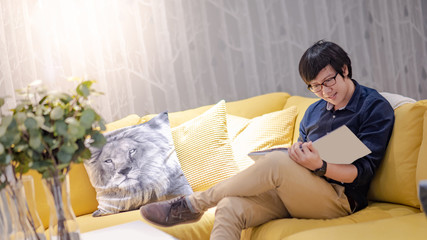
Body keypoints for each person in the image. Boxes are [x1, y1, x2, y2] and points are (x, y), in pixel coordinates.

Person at [139, 40, 395, 240]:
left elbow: (361, 172)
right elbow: (299, 159)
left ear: (345, 70)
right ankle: (197, 205)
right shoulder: (314, 112)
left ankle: (192, 204)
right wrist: (299, 156)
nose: (325, 91)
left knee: (275, 163)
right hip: (300, 192)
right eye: (315, 87)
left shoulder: (373, 107)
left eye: (329, 81)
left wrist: (321, 165)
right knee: (229, 207)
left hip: (339, 199)